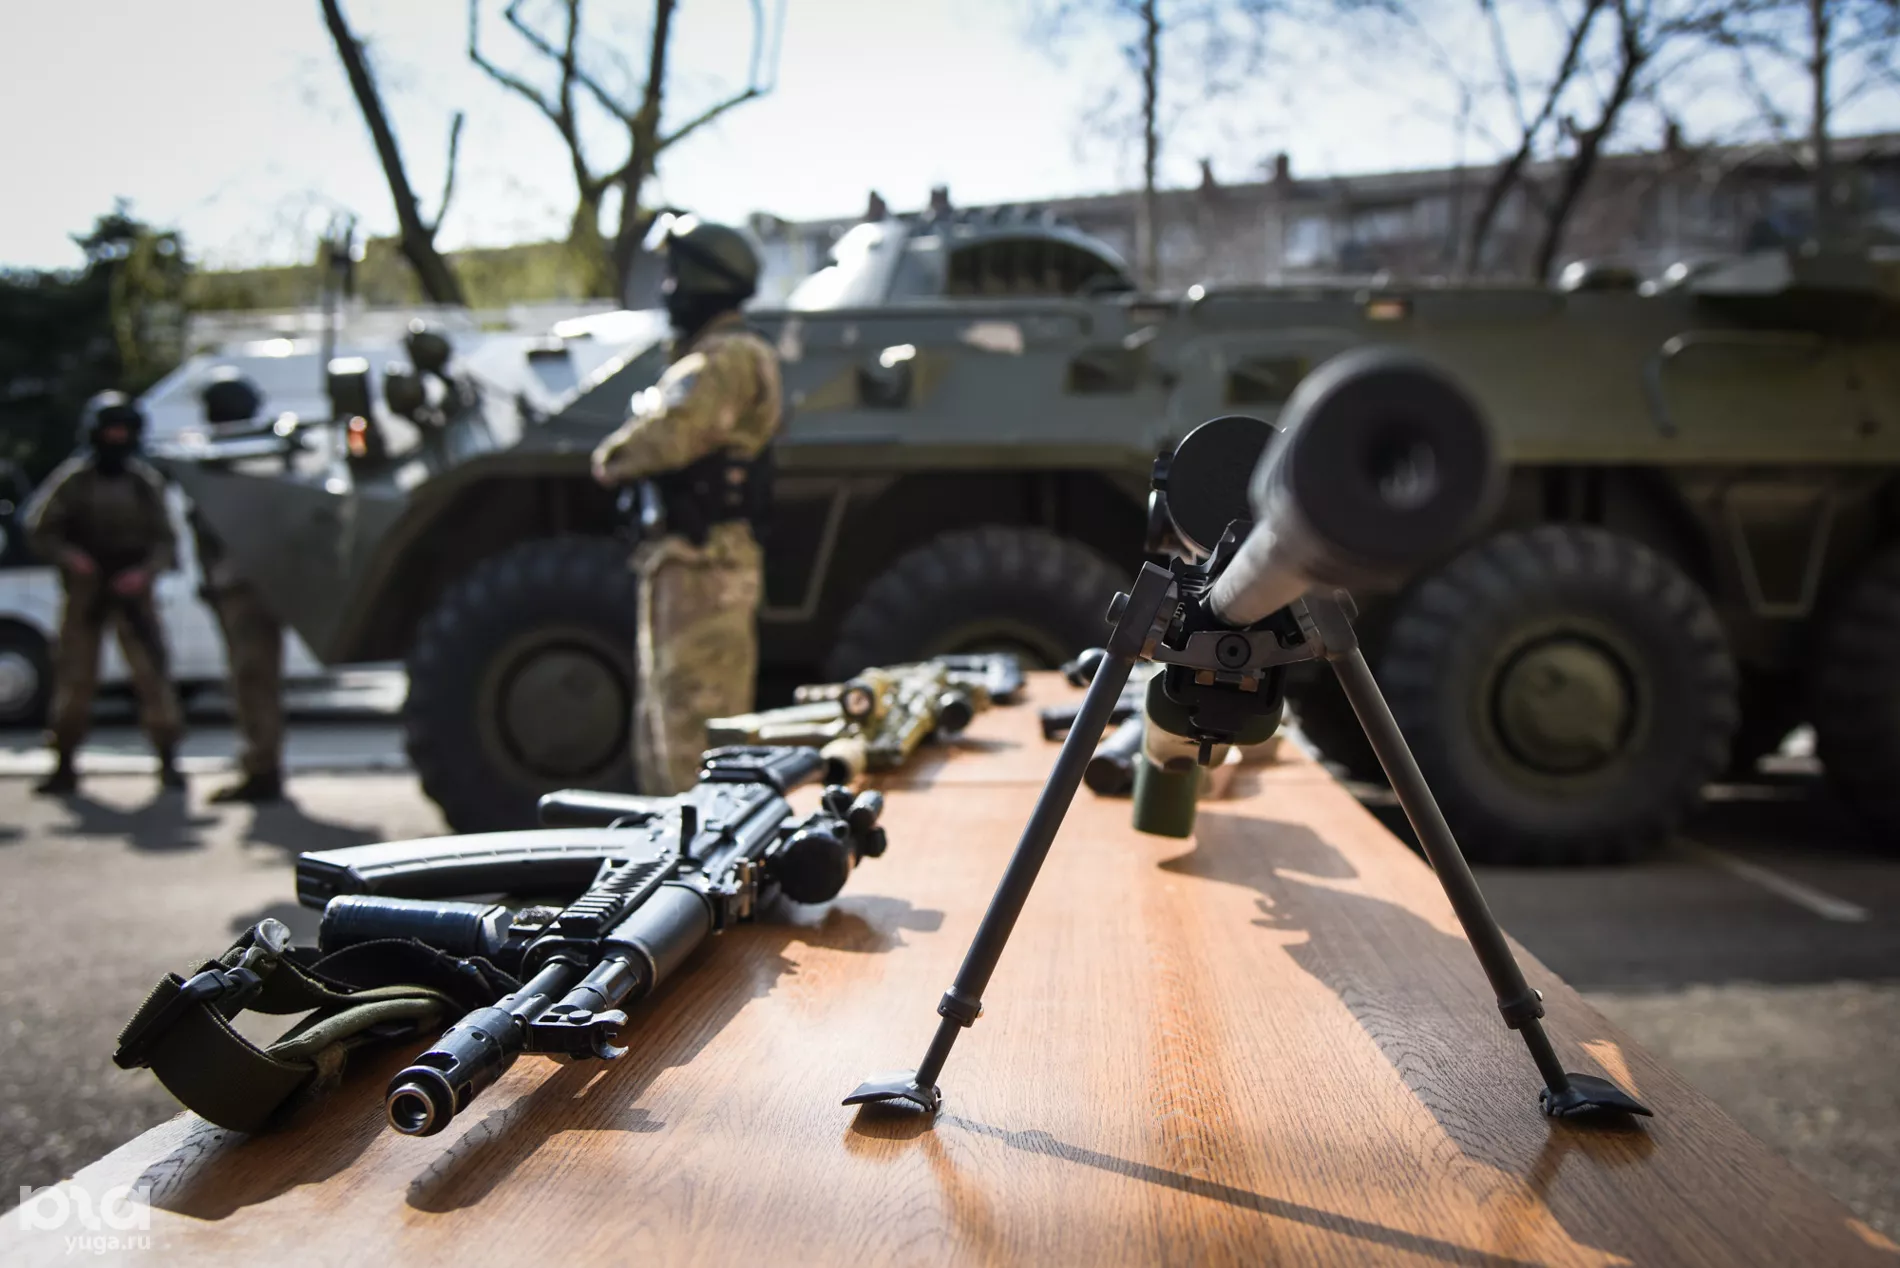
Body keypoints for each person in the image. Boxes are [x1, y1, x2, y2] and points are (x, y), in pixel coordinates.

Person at [590, 216, 781, 795]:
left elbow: (664, 438)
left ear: (705, 282)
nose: (668, 290)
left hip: (706, 568)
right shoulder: (710, 354)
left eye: (675, 277)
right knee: (666, 732)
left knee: (694, 744)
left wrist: (613, 455)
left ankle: (698, 854)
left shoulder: (725, 357)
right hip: (687, 565)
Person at [24, 392, 184, 795]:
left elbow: (166, 541)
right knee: (75, 679)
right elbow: (40, 528)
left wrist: (143, 573)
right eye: (110, 431)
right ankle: (64, 761)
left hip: (134, 595)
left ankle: (168, 757)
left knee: (152, 677)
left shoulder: (142, 482)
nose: (117, 438)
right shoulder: (74, 479)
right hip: (86, 595)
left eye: (123, 431)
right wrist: (72, 558)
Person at [190, 368, 287, 803]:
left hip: (247, 584)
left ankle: (262, 766)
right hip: (239, 583)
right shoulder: (241, 453)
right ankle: (260, 762)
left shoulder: (247, 454)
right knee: (250, 677)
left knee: (252, 677)